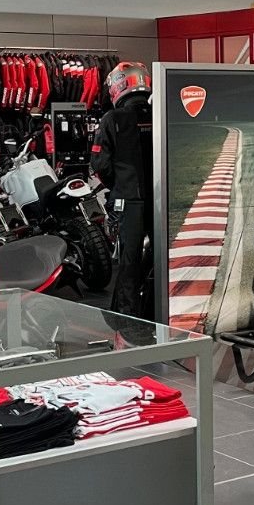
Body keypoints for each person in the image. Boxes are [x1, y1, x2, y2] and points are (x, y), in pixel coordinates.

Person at [91, 62, 155, 318]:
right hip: (160, 197)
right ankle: (154, 307)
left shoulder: (112, 119)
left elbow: (100, 164)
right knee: (160, 256)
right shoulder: (160, 112)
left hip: (129, 200)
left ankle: (127, 316)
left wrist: (118, 185)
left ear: (118, 84)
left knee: (129, 261)